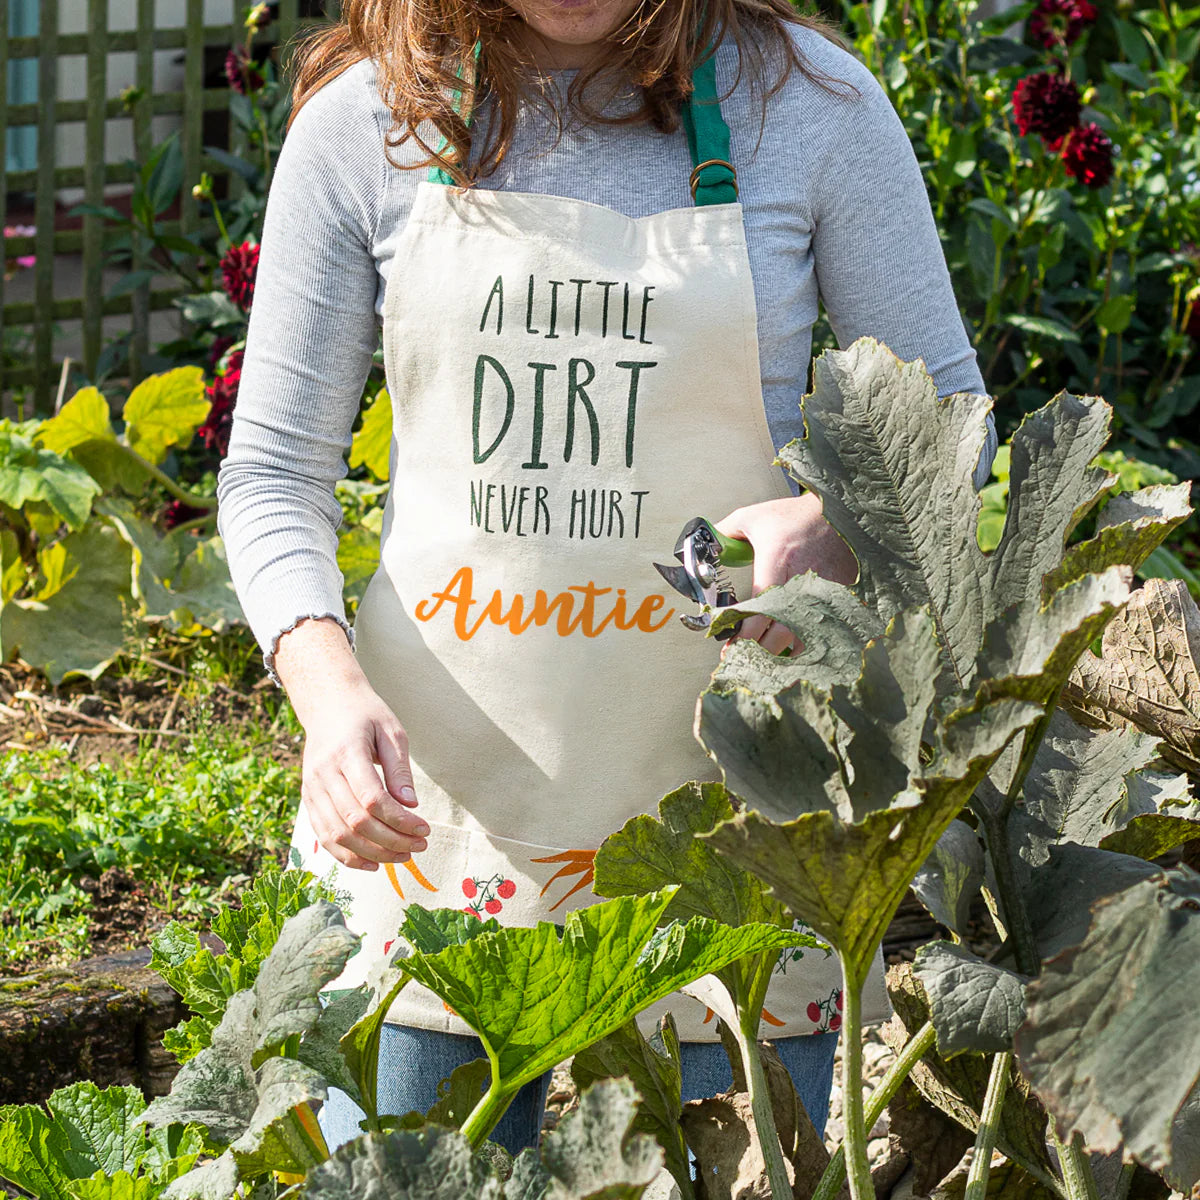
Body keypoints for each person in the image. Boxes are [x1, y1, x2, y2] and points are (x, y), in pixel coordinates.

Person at [216, 0, 997, 1158]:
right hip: (440, 822)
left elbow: (947, 420)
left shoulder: (816, 109)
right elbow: (275, 473)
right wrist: (329, 698)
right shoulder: (367, 123)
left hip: (741, 816)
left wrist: (833, 524)